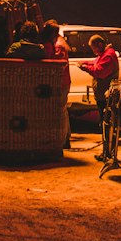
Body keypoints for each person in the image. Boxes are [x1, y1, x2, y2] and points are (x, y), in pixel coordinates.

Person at [80, 33, 119, 159]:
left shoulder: (108, 56)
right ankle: (106, 152)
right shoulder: (103, 55)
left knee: (106, 124)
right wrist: (85, 63)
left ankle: (107, 153)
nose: (93, 51)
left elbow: (100, 72)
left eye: (93, 48)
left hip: (106, 98)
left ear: (100, 44)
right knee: (104, 124)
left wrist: (86, 69)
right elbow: (96, 63)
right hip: (102, 96)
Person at [41, 20, 71, 148]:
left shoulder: (58, 46)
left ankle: (63, 140)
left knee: (60, 110)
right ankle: (66, 138)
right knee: (63, 109)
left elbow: (58, 65)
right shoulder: (60, 43)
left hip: (61, 82)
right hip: (64, 81)